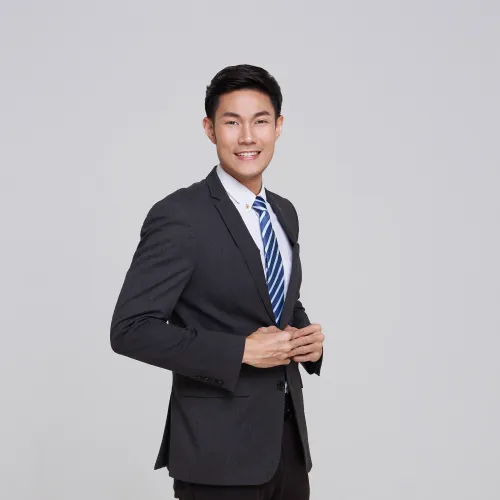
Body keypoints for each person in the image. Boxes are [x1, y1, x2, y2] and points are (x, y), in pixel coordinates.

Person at [110, 64, 325, 500]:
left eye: (260, 121)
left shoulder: (283, 212)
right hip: (216, 456)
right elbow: (130, 329)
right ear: (210, 129)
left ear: (278, 127)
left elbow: (277, 300)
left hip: (287, 448)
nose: (247, 137)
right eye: (232, 122)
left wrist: (306, 339)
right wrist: (241, 350)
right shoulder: (180, 216)